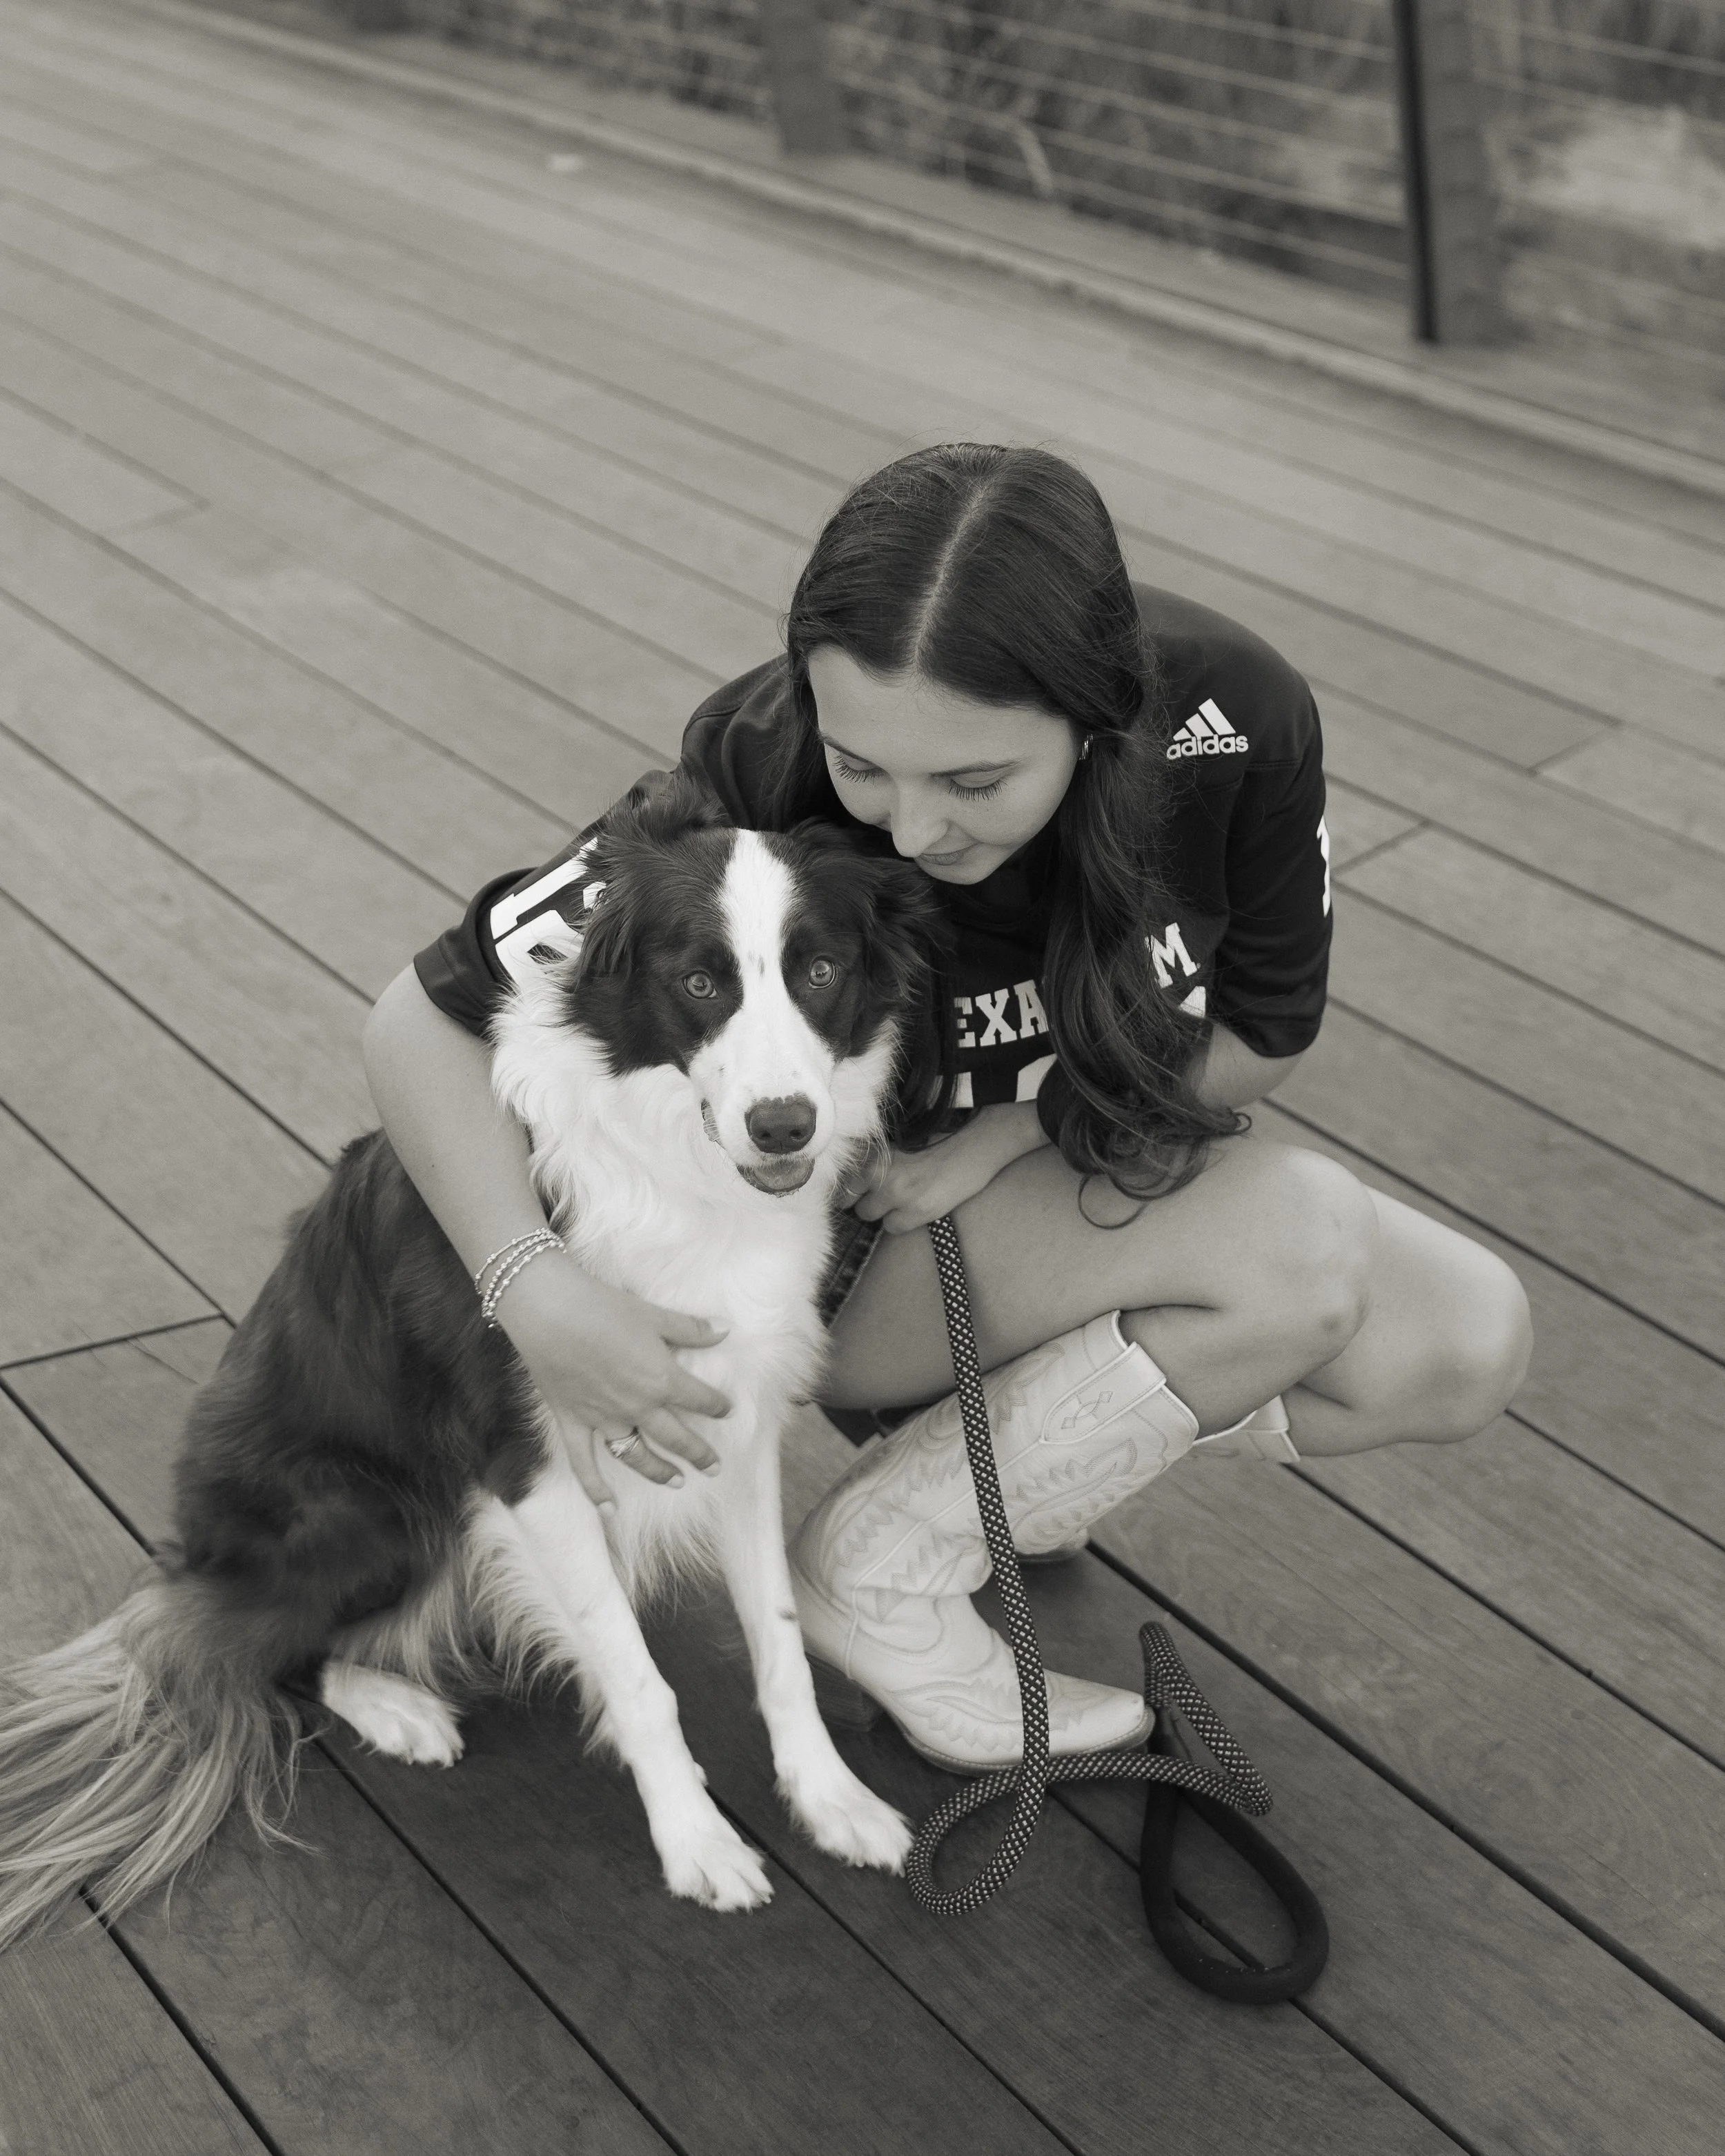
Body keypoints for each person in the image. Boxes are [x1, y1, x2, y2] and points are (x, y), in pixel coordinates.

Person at [366, 444, 1532, 1773]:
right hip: (818, 1259)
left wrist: (1014, 1132)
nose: (913, 830)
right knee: (1299, 1238)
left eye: (975, 784)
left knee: (1462, 1341)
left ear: (1098, 720)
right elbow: (418, 1025)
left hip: (1002, 1189)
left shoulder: (1237, 720)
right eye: (863, 768)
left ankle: (976, 1478)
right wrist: (538, 1293)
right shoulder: (749, 768)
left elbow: (1263, 1030)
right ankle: (887, 1570)